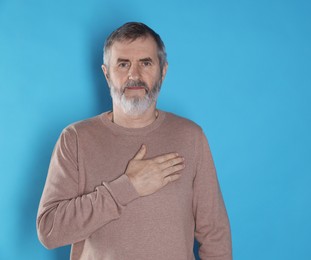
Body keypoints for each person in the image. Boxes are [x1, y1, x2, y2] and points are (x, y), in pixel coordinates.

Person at [37, 22, 232, 260]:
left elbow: (215, 235)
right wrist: (127, 187)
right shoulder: (75, 139)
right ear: (106, 73)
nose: (134, 75)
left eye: (146, 63)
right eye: (123, 64)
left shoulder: (190, 137)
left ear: (163, 70)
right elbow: (49, 231)